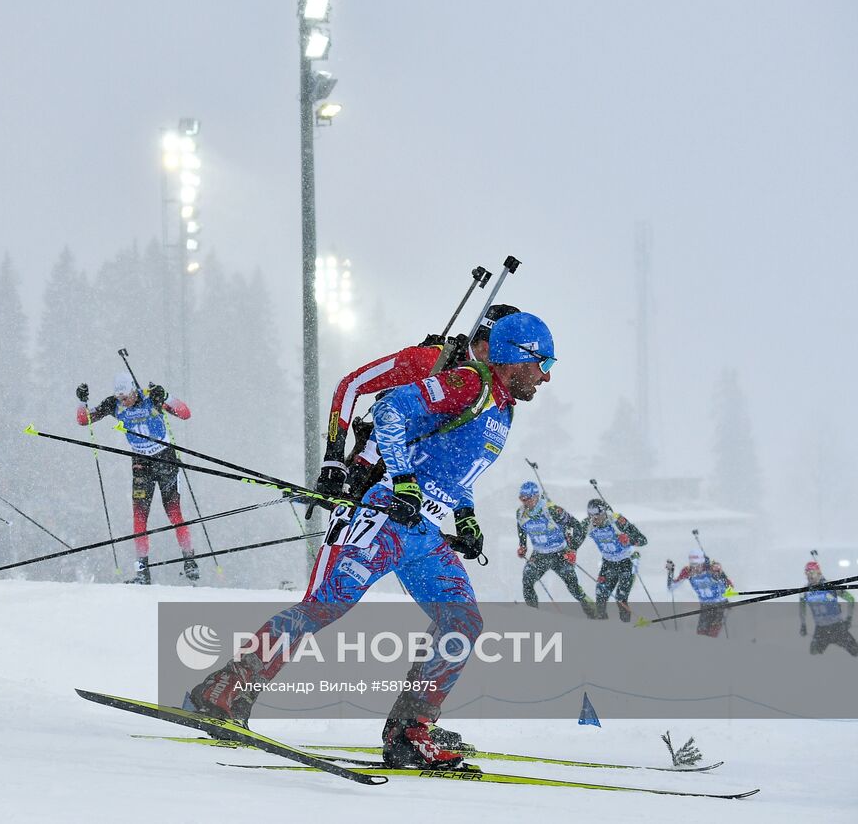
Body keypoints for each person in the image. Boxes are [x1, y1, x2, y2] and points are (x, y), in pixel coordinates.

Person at [186, 312, 556, 770]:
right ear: (517, 357)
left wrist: (465, 516)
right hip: (383, 516)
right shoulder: (468, 384)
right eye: (544, 363)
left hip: (421, 532)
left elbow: (453, 471)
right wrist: (399, 479)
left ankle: (410, 731)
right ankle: (224, 689)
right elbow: (389, 410)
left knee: (462, 621)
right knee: (326, 605)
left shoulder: (503, 409)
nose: (546, 375)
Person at [313, 305, 520, 505]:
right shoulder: (430, 360)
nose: (513, 365)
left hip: (414, 491)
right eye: (512, 356)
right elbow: (350, 385)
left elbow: (459, 459)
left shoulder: (490, 392)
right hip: (372, 472)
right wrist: (334, 458)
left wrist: (464, 515)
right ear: (487, 346)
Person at [77, 374, 194, 585]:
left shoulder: (151, 397)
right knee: (139, 518)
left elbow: (185, 414)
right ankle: (142, 572)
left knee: (174, 513)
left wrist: (166, 397)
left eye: (126, 397)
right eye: (119, 397)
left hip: (165, 458)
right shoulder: (114, 405)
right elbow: (84, 420)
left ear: (133, 391)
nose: (124, 401)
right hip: (141, 463)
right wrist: (82, 402)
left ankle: (189, 560)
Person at [515, 482, 593, 616]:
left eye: (527, 498)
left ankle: (593, 612)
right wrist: (523, 545)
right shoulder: (521, 513)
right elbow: (521, 528)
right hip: (540, 554)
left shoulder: (551, 510)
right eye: (521, 498)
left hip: (560, 553)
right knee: (527, 580)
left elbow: (576, 525)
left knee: (573, 587)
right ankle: (532, 613)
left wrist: (572, 549)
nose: (524, 502)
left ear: (536, 497)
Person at [582, 498, 647, 621]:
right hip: (608, 564)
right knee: (600, 597)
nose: (594, 519)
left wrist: (628, 540)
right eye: (590, 515)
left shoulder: (618, 522)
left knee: (620, 599)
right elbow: (575, 538)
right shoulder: (588, 524)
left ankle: (626, 628)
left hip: (626, 562)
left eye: (597, 515)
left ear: (604, 513)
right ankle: (603, 629)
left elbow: (643, 540)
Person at [666, 549, 734, 637]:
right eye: (692, 564)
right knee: (701, 634)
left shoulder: (711, 570)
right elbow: (671, 587)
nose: (695, 568)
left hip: (721, 605)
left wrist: (721, 576)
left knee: (713, 634)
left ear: (702, 563)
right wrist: (671, 572)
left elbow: (730, 587)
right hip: (705, 606)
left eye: (697, 565)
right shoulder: (687, 571)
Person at [799, 560, 857, 657]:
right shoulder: (805, 591)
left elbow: (850, 599)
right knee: (812, 656)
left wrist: (849, 618)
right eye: (807, 573)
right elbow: (802, 609)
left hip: (837, 627)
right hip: (821, 630)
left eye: (812, 572)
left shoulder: (830, 586)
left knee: (855, 651)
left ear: (819, 572)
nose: (809, 576)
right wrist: (803, 625)